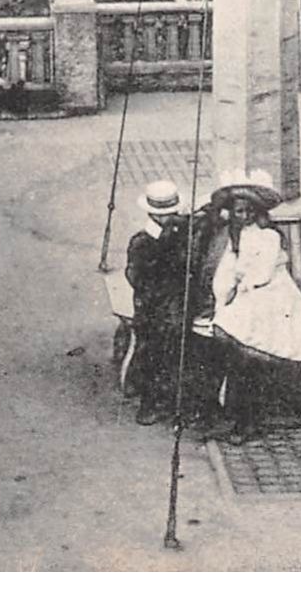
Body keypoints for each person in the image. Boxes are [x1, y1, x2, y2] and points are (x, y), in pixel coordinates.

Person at [206, 169, 301, 443]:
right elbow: (226, 272)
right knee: (232, 352)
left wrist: (238, 286)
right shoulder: (234, 238)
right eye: (236, 211)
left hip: (271, 297)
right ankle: (234, 414)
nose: (241, 216)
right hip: (246, 296)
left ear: (256, 212)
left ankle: (247, 420)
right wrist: (225, 292)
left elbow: (260, 275)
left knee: (249, 354)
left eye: (246, 211)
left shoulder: (267, 237)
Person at [125, 180, 194, 426]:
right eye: (164, 215)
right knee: (151, 352)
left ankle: (175, 400)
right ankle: (149, 401)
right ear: (152, 214)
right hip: (152, 307)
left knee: (178, 352)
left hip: (177, 302)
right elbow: (136, 276)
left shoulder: (181, 234)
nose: (169, 218)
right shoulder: (142, 241)